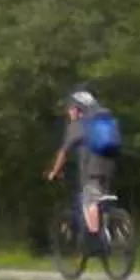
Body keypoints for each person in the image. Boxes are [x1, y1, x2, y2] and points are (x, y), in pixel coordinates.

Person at [44, 88, 119, 250]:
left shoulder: (78, 125)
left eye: (70, 110)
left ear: (78, 110)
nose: (69, 114)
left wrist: (54, 172)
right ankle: (107, 228)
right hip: (109, 166)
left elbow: (63, 152)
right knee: (100, 199)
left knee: (88, 200)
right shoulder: (102, 119)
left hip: (92, 168)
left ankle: (95, 241)